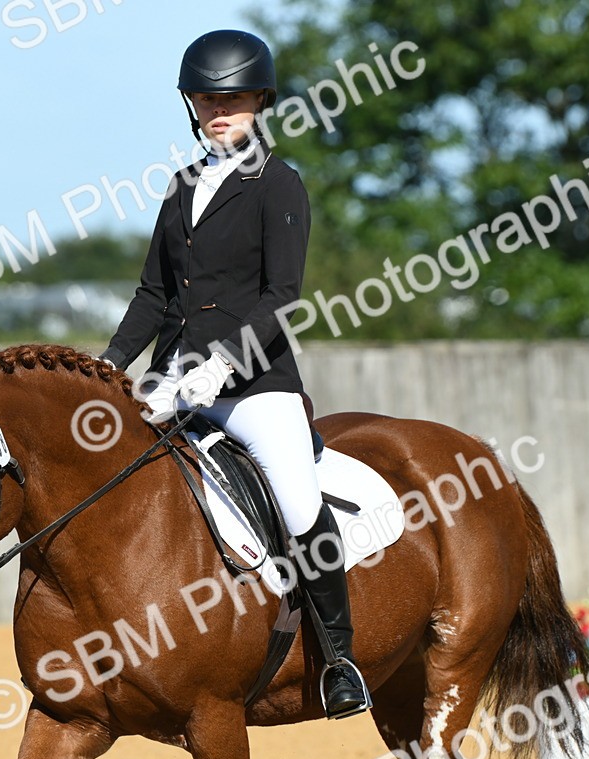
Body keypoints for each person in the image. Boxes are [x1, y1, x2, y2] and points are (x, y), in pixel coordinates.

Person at [98, 29, 369, 719]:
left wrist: (223, 361)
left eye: (234, 98)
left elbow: (284, 295)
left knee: (301, 505)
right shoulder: (182, 185)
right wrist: (104, 372)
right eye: (208, 99)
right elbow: (153, 296)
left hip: (254, 383)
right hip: (173, 379)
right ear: (192, 105)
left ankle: (339, 661)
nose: (220, 110)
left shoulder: (279, 183)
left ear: (260, 102)